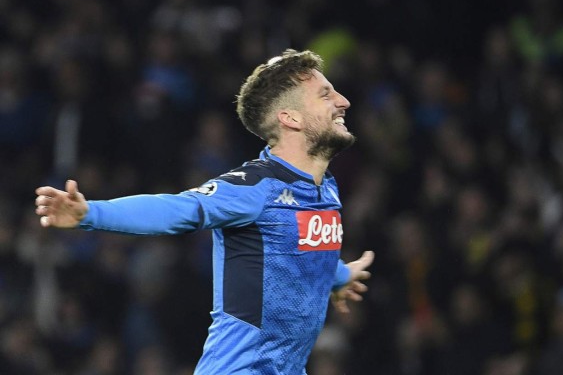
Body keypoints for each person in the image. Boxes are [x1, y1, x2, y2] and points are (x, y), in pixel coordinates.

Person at [34, 49, 374, 375]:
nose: (343, 101)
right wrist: (91, 213)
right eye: (325, 94)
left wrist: (340, 277)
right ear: (290, 118)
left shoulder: (324, 188)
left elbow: (298, 253)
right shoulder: (255, 187)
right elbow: (177, 209)